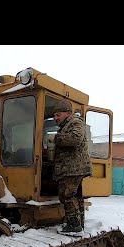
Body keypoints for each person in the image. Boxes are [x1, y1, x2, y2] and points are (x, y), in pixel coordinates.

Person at [51, 99, 92, 233]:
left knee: (66, 195)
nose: (55, 118)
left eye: (58, 115)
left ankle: (74, 225)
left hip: (73, 168)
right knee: (75, 196)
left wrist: (56, 138)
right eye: (54, 115)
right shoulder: (66, 125)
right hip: (72, 168)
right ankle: (79, 224)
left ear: (68, 113)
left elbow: (75, 139)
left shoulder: (75, 122)